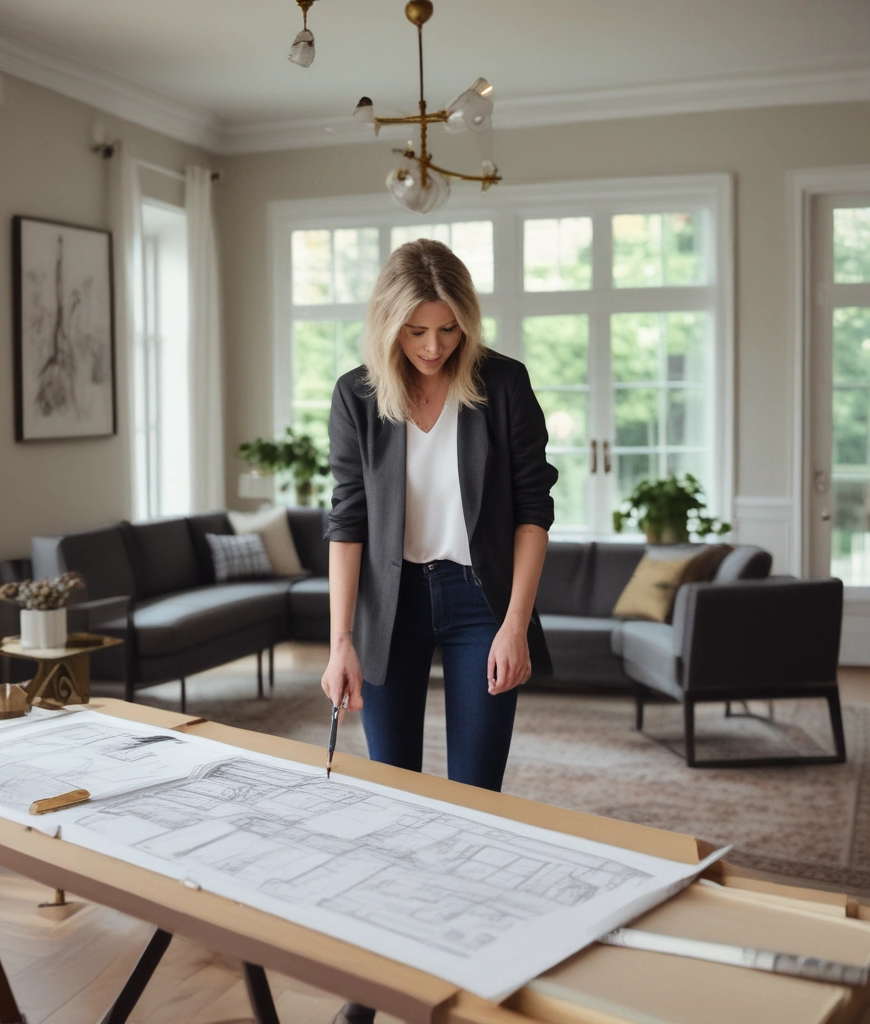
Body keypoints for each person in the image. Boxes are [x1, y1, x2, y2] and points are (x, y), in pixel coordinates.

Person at [321, 239, 558, 1024]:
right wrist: (340, 642)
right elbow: (347, 520)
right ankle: (376, 981)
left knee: (472, 805)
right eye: (417, 333)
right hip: (389, 607)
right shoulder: (358, 395)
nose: (433, 349)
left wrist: (515, 624)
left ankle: (470, 977)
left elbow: (533, 510)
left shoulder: (504, 385)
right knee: (392, 803)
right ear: (389, 325)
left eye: (449, 331)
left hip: (478, 602)